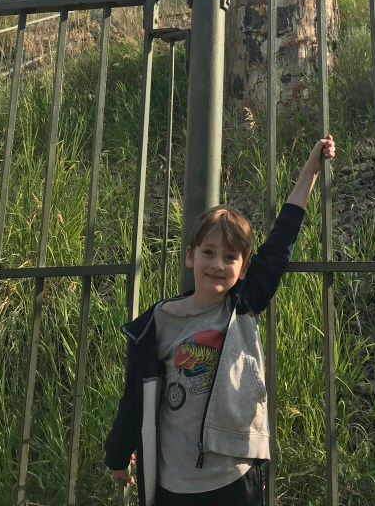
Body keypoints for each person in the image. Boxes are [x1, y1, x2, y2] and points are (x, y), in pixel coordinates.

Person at [104, 135, 335, 506]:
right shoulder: (156, 324)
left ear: (243, 269)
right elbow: (134, 401)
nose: (217, 264)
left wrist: (311, 168)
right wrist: (117, 457)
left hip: (234, 476)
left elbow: (282, 237)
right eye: (209, 252)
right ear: (190, 256)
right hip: (175, 483)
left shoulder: (242, 304)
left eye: (230, 257)